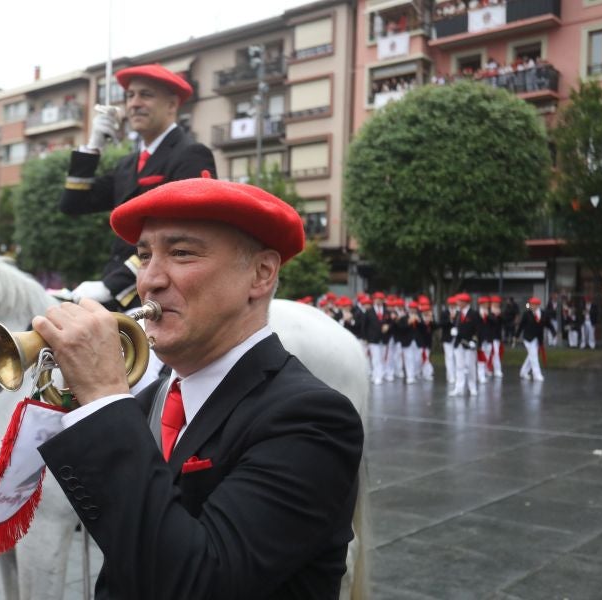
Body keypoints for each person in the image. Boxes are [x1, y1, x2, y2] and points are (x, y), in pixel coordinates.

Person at [34, 178, 364, 599]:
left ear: (261, 274)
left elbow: (199, 583)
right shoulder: (150, 398)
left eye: (181, 253)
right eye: (143, 256)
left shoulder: (313, 418)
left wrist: (101, 398)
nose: (149, 280)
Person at [60, 63, 217, 311]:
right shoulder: (128, 164)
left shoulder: (191, 155)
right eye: (130, 96)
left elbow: (185, 233)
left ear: (172, 105)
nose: (134, 103)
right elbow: (73, 204)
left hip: (163, 290)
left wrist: (111, 286)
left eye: (146, 94)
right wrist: (93, 146)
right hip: (124, 284)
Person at [516, 297, 556, 381]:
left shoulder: (543, 313)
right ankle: (536, 374)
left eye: (535, 305)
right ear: (530, 305)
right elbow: (521, 325)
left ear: (538, 305)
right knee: (533, 356)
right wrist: (516, 335)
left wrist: (553, 332)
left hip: (538, 338)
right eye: (532, 305)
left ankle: (523, 372)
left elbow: (548, 324)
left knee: (531, 356)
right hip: (528, 338)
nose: (533, 306)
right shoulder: (527, 314)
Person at [450, 292, 479, 397]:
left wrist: (474, 340)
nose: (457, 303)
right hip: (459, 343)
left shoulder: (473, 314)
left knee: (471, 366)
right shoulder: (458, 313)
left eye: (459, 301)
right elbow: (456, 325)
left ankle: (473, 388)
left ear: (465, 302)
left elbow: (477, 329)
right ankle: (459, 387)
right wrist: (453, 329)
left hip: (469, 343)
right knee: (459, 366)